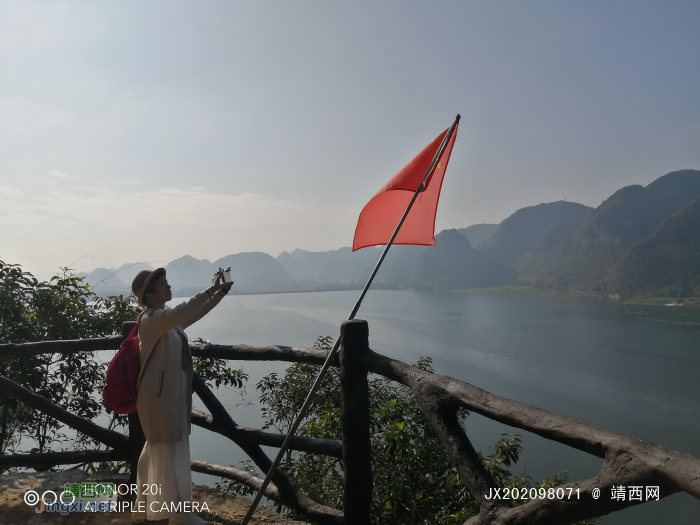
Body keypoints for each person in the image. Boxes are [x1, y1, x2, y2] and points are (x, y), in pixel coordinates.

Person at [130, 267, 232, 525]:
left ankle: (142, 508)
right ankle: (178, 515)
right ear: (150, 294)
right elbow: (184, 310)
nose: (168, 286)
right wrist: (210, 289)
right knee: (168, 451)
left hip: (166, 396)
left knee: (155, 451)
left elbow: (194, 312)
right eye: (163, 284)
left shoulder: (165, 320)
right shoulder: (151, 319)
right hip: (159, 398)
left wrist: (218, 293)